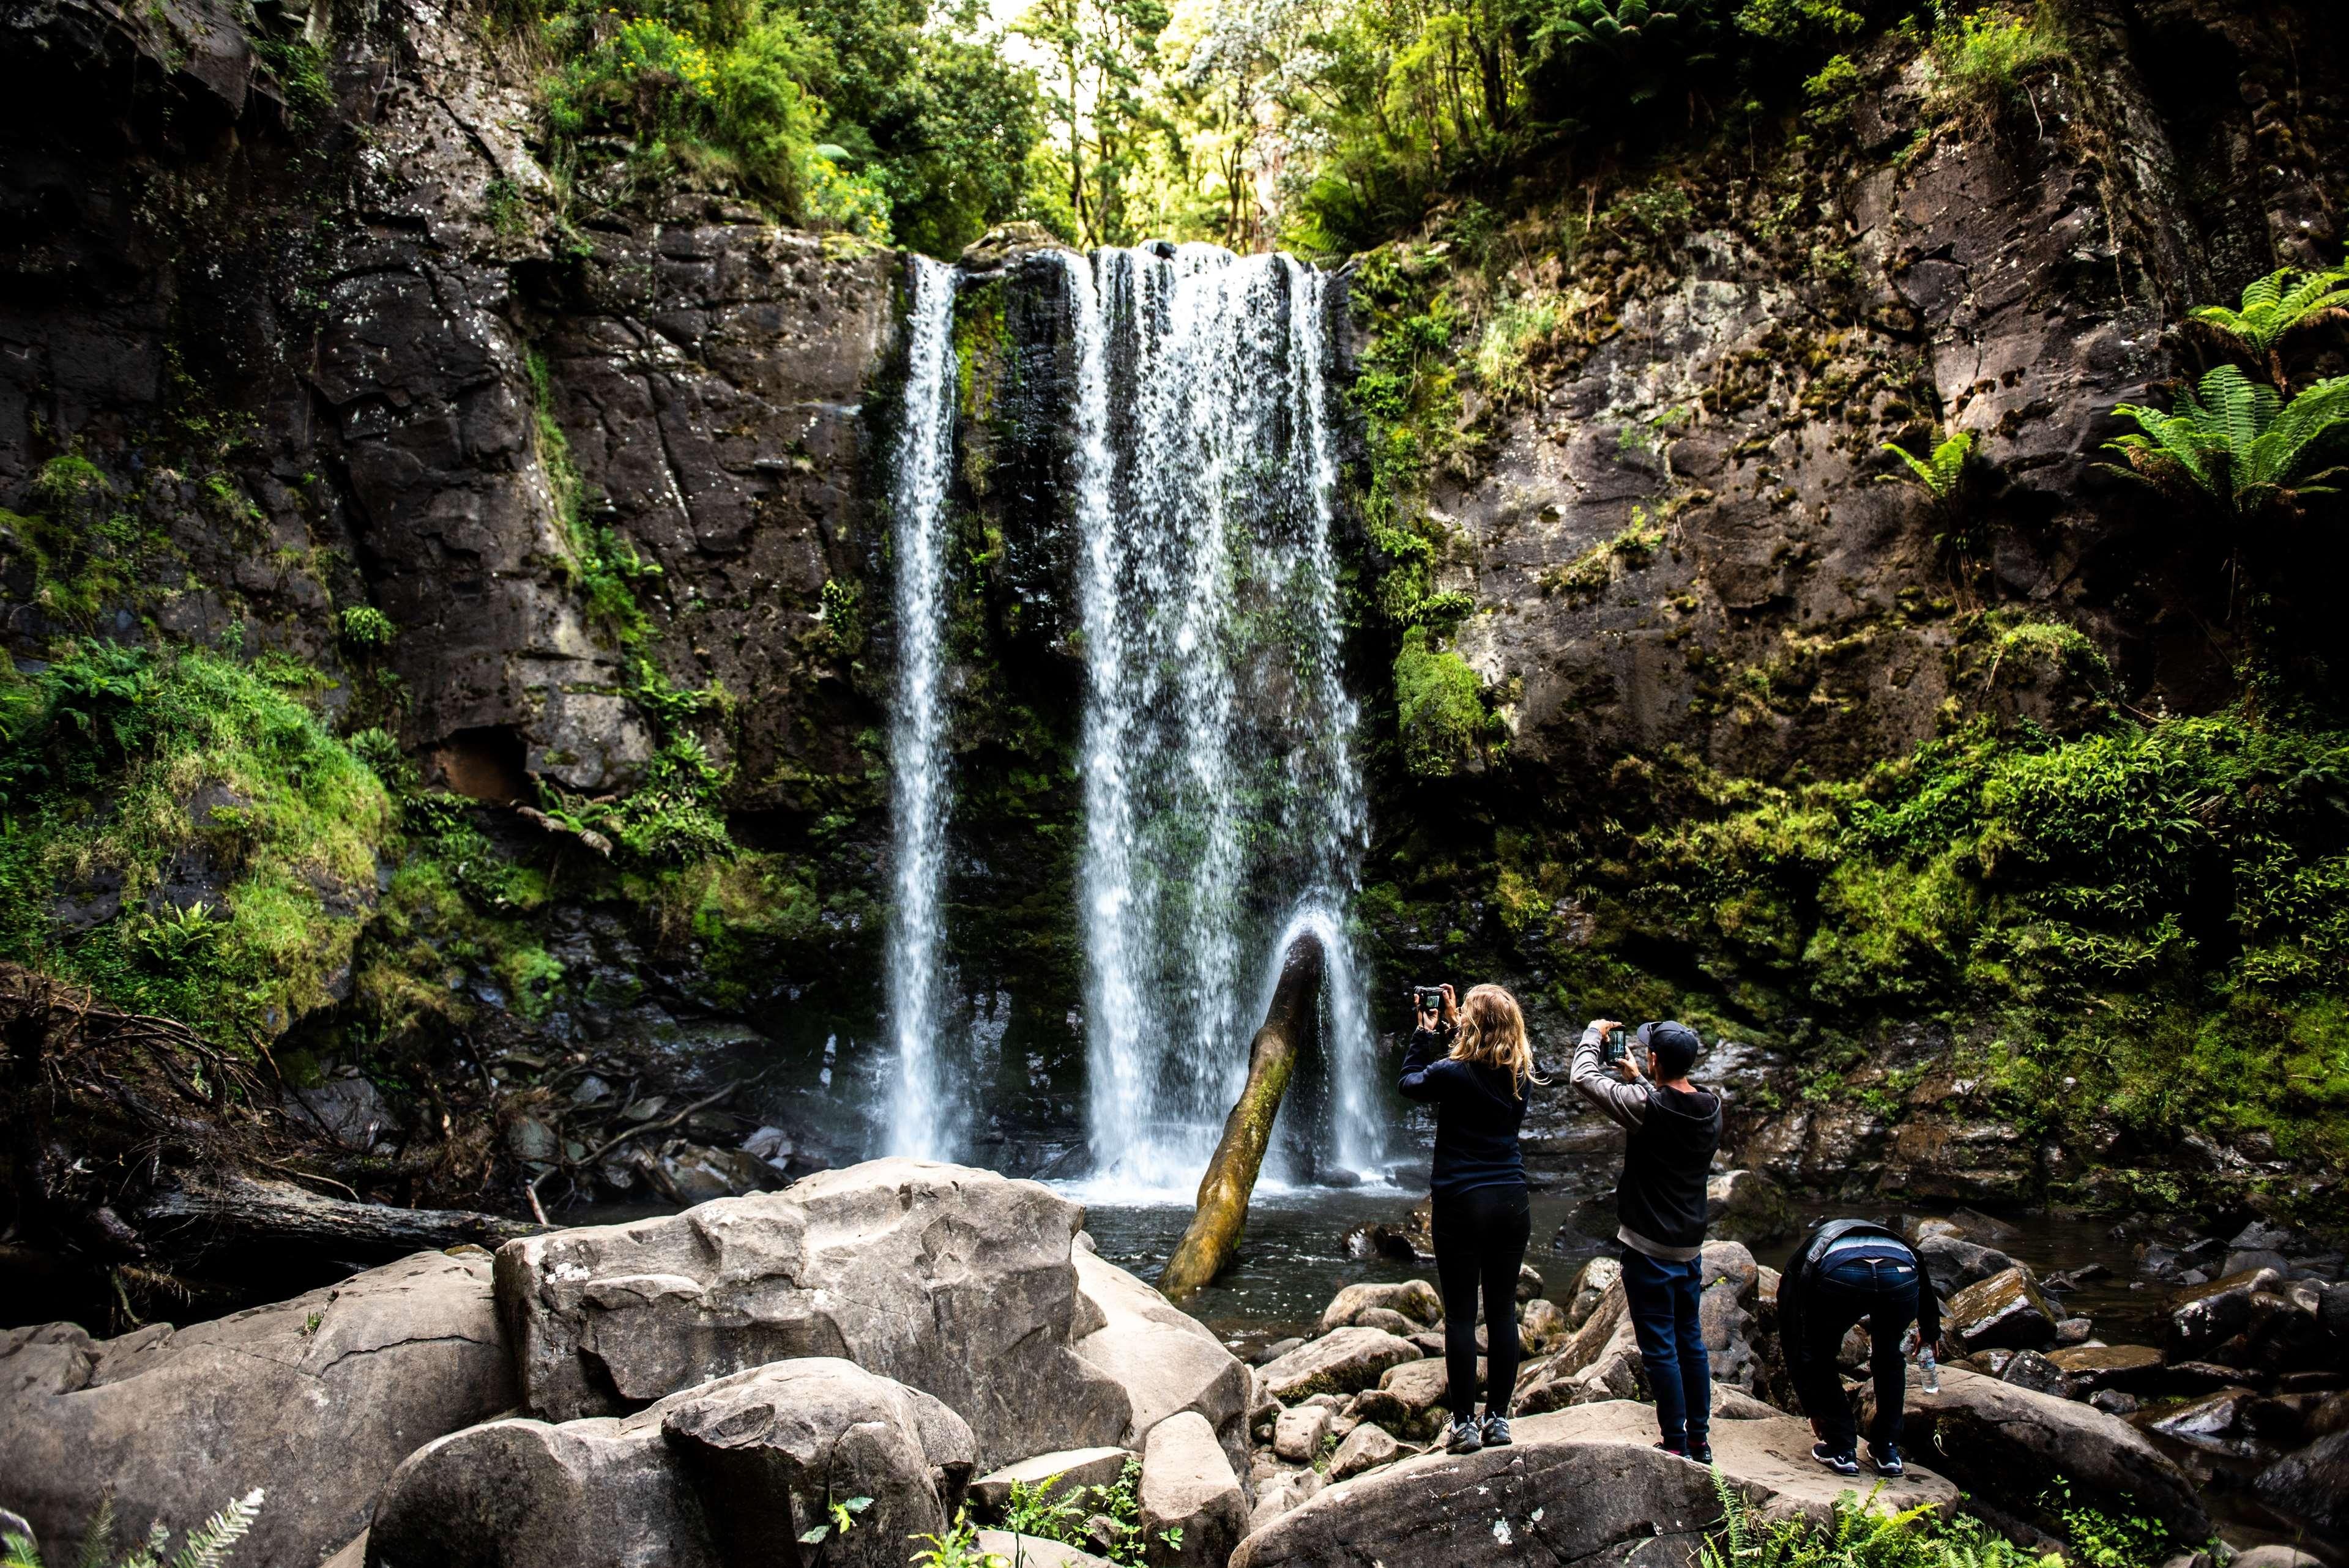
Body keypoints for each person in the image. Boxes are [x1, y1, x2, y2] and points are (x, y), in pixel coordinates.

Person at [1398, 983, 1545, 1455]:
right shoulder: (1522, 1071)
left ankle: (1463, 1424)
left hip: (1460, 1202)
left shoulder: (1451, 1073)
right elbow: (1477, 1061)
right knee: (1502, 1310)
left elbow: (1411, 1082)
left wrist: (1425, 1030)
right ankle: (1498, 1419)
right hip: (1509, 1200)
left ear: (1470, 1026)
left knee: (1461, 1315)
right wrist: (1460, 1019)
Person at [1572, 1017, 1722, 1463]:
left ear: (1654, 1058)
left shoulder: (1645, 1107)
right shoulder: (1712, 1106)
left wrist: (1593, 1035)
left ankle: (1674, 1443)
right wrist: (1640, 1079)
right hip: (1688, 1245)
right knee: (1689, 1341)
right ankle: (1700, 1439)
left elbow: (1582, 1076)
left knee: (1658, 1346)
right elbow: (1673, 1107)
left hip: (1647, 1247)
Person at [1778, 1219, 1942, 1477]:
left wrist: (1814, 1409)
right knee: (1889, 1357)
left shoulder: (1807, 1255)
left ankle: (1842, 1449)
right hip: (1900, 1273)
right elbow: (1920, 1268)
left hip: (1842, 1274)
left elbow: (1793, 1338)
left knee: (1820, 1356)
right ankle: (1888, 1451)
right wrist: (1930, 1331)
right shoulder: (1893, 1241)